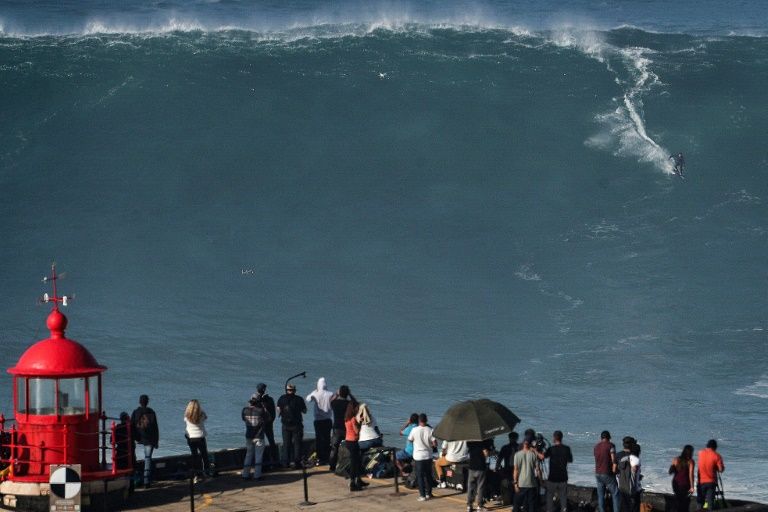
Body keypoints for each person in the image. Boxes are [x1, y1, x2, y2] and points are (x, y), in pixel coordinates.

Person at [131, 394, 159, 488]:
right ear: (148, 402)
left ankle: (134, 479)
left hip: (139, 438)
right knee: (148, 458)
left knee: (133, 458)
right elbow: (155, 428)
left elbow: (132, 426)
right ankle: (146, 481)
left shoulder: (136, 412)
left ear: (139, 402)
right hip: (149, 439)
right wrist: (156, 441)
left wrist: (135, 437)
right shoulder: (151, 412)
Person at [276, 383, 307, 468]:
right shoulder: (299, 399)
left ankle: (285, 463)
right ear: (295, 390)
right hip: (297, 425)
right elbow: (304, 411)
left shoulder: (282, 398)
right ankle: (297, 463)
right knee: (297, 444)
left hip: (285, 425)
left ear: (286, 390)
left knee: (286, 444)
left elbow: (278, 410)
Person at [242, 394, 271, 480]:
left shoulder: (244, 410)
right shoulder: (261, 411)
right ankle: (257, 475)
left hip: (249, 436)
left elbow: (244, 419)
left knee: (248, 455)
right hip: (259, 436)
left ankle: (245, 475)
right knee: (258, 456)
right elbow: (269, 418)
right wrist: (263, 407)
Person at [408, 413, 436, 502]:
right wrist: (430, 445)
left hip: (418, 456)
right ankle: (429, 493)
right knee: (428, 475)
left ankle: (422, 495)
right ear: (426, 420)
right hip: (428, 455)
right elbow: (435, 443)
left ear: (419, 421)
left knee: (420, 476)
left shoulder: (414, 430)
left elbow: (410, 440)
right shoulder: (430, 430)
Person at [329, 385, 357, 472]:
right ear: (347, 394)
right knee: (349, 448)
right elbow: (356, 403)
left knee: (334, 447)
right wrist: (350, 395)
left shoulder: (335, 403)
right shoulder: (349, 403)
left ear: (340, 393)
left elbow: (330, 401)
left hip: (337, 428)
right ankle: (348, 466)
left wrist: (336, 394)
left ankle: (332, 466)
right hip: (347, 428)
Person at [306, 377, 333, 465]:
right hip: (328, 420)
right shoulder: (331, 394)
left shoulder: (316, 394)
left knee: (319, 439)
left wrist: (314, 392)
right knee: (327, 439)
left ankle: (319, 457)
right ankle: (327, 457)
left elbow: (308, 399)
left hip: (318, 421)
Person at [544, 430, 573, 512]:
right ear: (561, 438)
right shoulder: (567, 448)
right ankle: (563, 510)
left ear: (554, 438)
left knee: (550, 497)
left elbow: (543, 457)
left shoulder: (551, 449)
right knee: (563, 497)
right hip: (563, 477)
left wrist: (535, 450)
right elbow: (570, 460)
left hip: (552, 477)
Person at [184, 399, 212, 481]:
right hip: (200, 437)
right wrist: (200, 409)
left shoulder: (187, 416)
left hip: (191, 438)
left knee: (194, 456)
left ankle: (196, 475)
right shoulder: (202, 415)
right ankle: (206, 473)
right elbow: (206, 417)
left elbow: (185, 420)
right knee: (204, 456)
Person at [594, 430, 620, 512]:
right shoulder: (611, 446)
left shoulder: (596, 446)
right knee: (615, 494)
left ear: (601, 438)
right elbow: (613, 459)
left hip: (598, 473)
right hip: (607, 473)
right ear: (609, 438)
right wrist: (615, 470)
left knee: (601, 495)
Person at [344, 401, 367, 491]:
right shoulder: (353, 419)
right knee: (355, 463)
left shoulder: (346, 418)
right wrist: (360, 423)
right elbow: (357, 431)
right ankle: (353, 483)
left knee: (356, 462)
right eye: (357, 408)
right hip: (353, 442)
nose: (358, 409)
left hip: (348, 441)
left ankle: (358, 480)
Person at [512, 437, 540, 512]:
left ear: (523, 444)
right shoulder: (533, 455)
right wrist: (541, 481)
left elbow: (515, 470)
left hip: (521, 483)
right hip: (531, 483)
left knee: (517, 504)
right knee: (531, 505)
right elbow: (537, 470)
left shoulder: (517, 455)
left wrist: (515, 483)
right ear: (530, 444)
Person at [254, 383, 278, 468]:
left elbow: (252, 411)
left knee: (260, 444)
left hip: (260, 425)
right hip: (268, 424)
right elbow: (273, 413)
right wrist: (271, 421)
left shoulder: (256, 399)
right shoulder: (270, 399)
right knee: (271, 442)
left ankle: (263, 463)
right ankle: (275, 462)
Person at [697, 439, 724, 511]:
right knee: (710, 502)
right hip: (711, 482)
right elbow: (721, 470)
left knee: (700, 501)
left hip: (700, 481)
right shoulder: (717, 456)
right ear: (715, 447)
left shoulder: (700, 453)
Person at [466, 439, 492, 512]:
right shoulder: (482, 442)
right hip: (480, 467)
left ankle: (469, 505)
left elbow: (468, 453)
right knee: (480, 487)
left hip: (471, 467)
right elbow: (486, 454)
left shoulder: (469, 442)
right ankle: (479, 506)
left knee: (470, 487)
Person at [617, 437, 641, 512]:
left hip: (620, 486)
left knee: (622, 507)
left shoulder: (617, 455)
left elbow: (613, 469)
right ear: (631, 445)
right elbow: (635, 470)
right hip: (632, 488)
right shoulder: (634, 457)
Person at [669, 445, 695, 512]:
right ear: (690, 452)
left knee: (678, 501)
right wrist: (692, 487)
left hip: (675, 483)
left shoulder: (676, 459)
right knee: (685, 503)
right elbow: (691, 475)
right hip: (684, 484)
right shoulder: (690, 461)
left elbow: (670, 471)